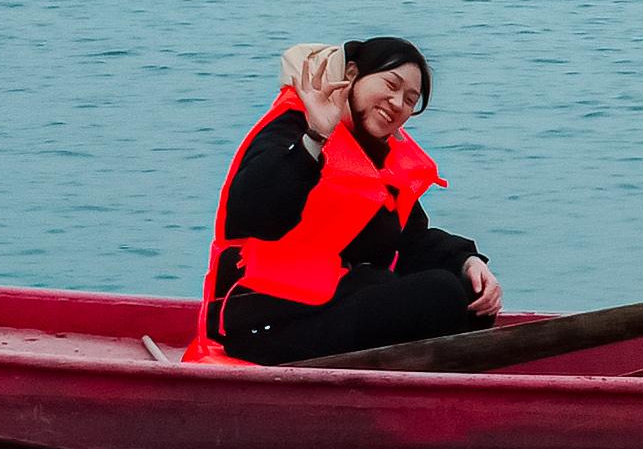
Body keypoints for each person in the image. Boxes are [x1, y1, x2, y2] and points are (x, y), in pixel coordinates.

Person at [186, 38, 503, 365]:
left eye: (410, 100)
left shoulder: (377, 157)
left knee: (470, 296)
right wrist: (315, 138)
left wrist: (468, 262)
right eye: (391, 85)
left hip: (330, 305)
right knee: (440, 294)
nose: (397, 103)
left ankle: (428, 395)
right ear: (352, 74)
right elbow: (254, 212)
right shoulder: (294, 129)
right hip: (263, 320)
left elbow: (410, 239)